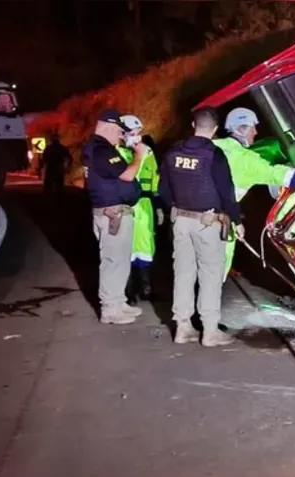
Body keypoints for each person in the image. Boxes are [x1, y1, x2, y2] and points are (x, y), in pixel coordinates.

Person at [159, 107, 243, 347]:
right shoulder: (214, 155)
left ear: (193, 125)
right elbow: (227, 194)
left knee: (183, 274)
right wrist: (236, 221)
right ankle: (209, 331)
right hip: (208, 224)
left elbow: (163, 189)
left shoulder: (173, 151)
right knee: (210, 276)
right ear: (215, 129)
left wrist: (173, 209)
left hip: (181, 221)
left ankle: (183, 327)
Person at [213, 107, 295, 280]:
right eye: (252, 127)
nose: (255, 132)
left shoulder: (211, 147)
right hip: (218, 226)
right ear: (241, 129)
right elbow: (278, 174)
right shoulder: (244, 159)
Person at [83, 108, 148, 324]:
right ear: (109, 126)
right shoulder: (101, 150)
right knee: (113, 261)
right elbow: (127, 175)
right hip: (112, 214)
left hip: (115, 212)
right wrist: (139, 156)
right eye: (120, 132)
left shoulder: (101, 149)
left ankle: (118, 302)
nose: (121, 136)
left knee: (120, 261)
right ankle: (110, 308)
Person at [113, 115, 161, 305]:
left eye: (138, 133)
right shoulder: (115, 154)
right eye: (133, 133)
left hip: (146, 207)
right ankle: (128, 291)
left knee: (146, 247)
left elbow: (155, 178)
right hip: (126, 207)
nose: (137, 137)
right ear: (122, 134)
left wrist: (158, 206)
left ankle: (146, 289)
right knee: (127, 249)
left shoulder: (148, 152)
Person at [41, 132, 72, 197]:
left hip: (51, 168)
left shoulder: (48, 149)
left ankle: (48, 200)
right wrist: (68, 167)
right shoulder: (62, 148)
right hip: (59, 168)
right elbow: (70, 158)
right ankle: (59, 201)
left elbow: (43, 159)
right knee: (59, 186)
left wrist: (41, 167)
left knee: (48, 187)